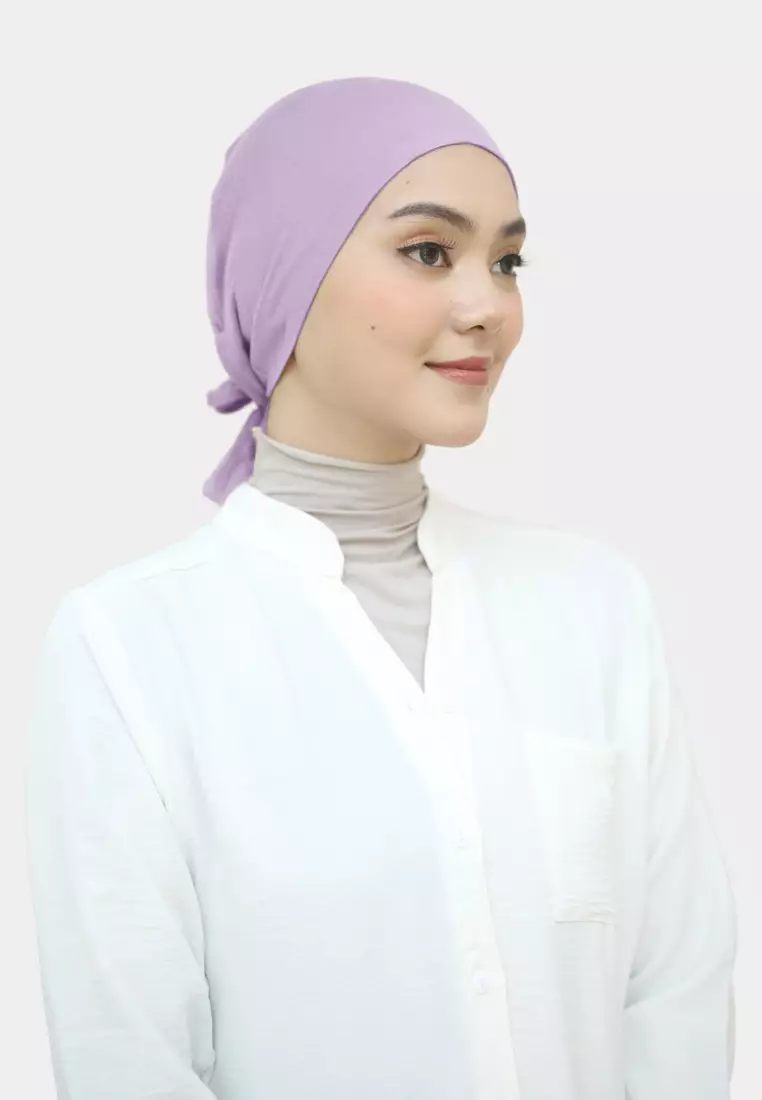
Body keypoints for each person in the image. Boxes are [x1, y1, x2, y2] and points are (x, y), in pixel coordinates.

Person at [24, 76, 737, 1100]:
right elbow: (127, 1056)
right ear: (285, 272)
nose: (488, 307)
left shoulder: (596, 605)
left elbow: (677, 994)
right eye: (429, 252)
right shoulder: (131, 645)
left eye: (507, 261)